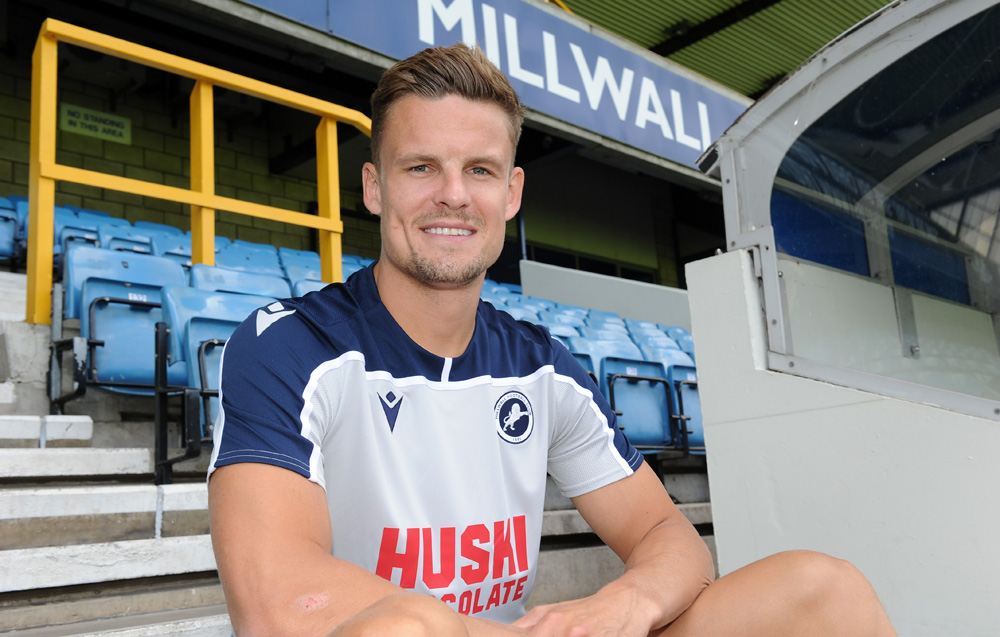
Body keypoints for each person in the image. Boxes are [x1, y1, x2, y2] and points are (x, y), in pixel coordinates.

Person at [207, 43, 895, 636]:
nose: (453, 195)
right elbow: (280, 604)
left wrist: (624, 603)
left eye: (479, 170)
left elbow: (670, 537)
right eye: (421, 167)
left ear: (511, 194)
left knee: (822, 588)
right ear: (374, 187)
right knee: (407, 626)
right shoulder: (290, 348)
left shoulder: (541, 366)